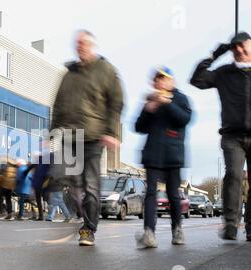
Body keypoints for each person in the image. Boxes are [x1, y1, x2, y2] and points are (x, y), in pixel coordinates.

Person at [51, 30, 124, 246]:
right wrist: (52, 133)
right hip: (68, 137)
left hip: (92, 137)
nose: (79, 47)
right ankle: (79, 215)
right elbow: (58, 106)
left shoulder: (106, 70)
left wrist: (112, 133)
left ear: (92, 45)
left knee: (91, 184)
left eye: (83, 43)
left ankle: (88, 229)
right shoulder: (69, 74)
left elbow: (116, 103)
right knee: (65, 178)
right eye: (77, 44)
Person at [190, 32, 251, 241]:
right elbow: (197, 79)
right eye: (234, 48)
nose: (239, 51)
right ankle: (231, 225)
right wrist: (214, 54)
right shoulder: (225, 73)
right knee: (233, 175)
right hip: (232, 136)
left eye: (243, 46)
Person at [135, 67, 192, 248]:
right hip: (153, 153)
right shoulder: (151, 100)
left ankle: (177, 230)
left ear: (171, 81)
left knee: (173, 194)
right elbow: (139, 127)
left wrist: (167, 103)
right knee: (150, 192)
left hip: (173, 154)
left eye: (163, 78)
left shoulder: (180, 98)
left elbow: (184, 119)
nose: (159, 82)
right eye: (157, 79)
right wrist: (148, 110)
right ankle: (149, 233)